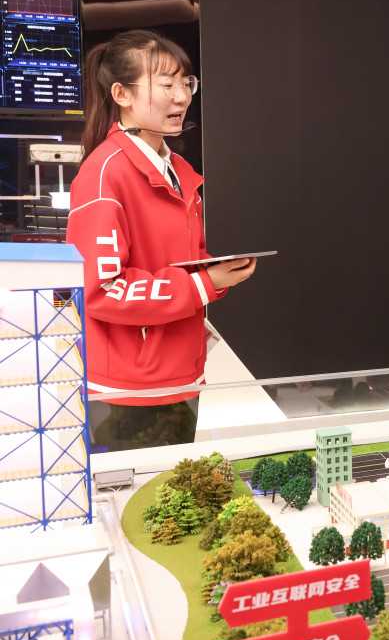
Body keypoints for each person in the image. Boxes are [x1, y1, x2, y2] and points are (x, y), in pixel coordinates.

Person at [67, 30, 257, 451]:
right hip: (128, 389)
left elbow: (177, 262)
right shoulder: (104, 175)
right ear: (122, 94)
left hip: (179, 373)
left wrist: (214, 272)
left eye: (186, 83)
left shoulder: (178, 170)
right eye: (166, 85)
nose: (182, 97)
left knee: (174, 487)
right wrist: (204, 284)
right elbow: (102, 290)